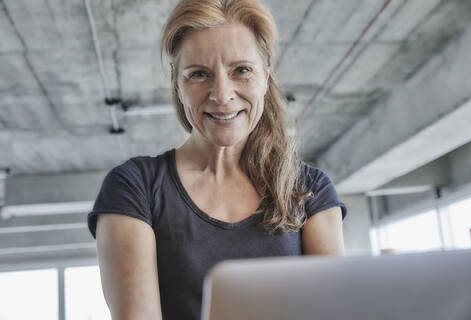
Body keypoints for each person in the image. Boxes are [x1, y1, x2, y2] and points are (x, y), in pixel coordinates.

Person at [87, 0, 347, 319]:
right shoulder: (134, 188)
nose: (222, 95)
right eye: (199, 74)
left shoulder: (310, 189)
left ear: (265, 78)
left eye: (241, 70)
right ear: (178, 86)